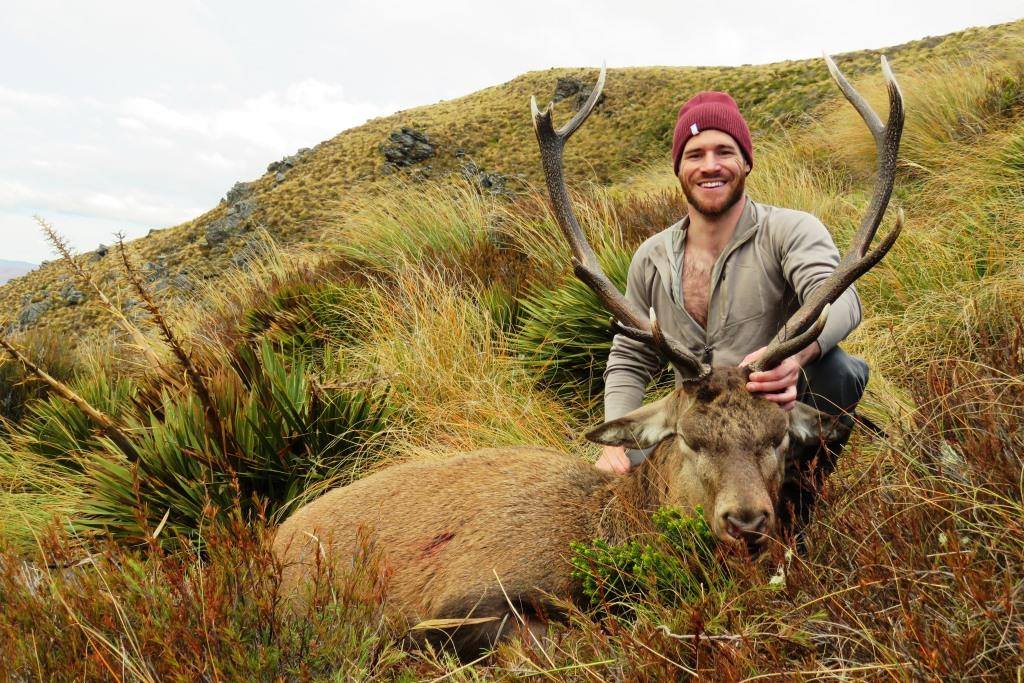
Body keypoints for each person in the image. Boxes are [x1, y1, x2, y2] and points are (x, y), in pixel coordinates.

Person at [596, 91, 868, 534]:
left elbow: (841, 299)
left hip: (770, 412)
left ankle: (797, 508)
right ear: (679, 169)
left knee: (838, 369)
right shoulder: (651, 258)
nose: (710, 165)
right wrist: (615, 445)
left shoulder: (788, 230)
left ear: (746, 162)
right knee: (622, 513)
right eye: (695, 154)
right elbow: (630, 356)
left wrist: (793, 359)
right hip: (701, 424)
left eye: (725, 151)